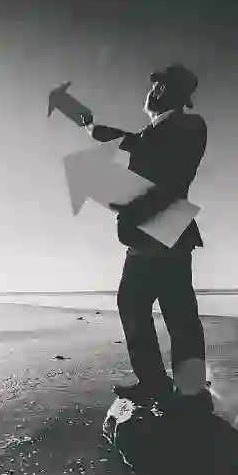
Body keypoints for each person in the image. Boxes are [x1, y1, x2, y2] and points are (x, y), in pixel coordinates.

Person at [82, 64, 212, 412]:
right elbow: (139, 141)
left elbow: (148, 147)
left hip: (159, 230)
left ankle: (168, 387)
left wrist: (109, 176)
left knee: (151, 308)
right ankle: (187, 391)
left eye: (156, 86)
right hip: (161, 231)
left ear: (164, 91)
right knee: (172, 310)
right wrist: (94, 128)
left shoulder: (188, 126)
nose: (150, 92)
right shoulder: (160, 132)